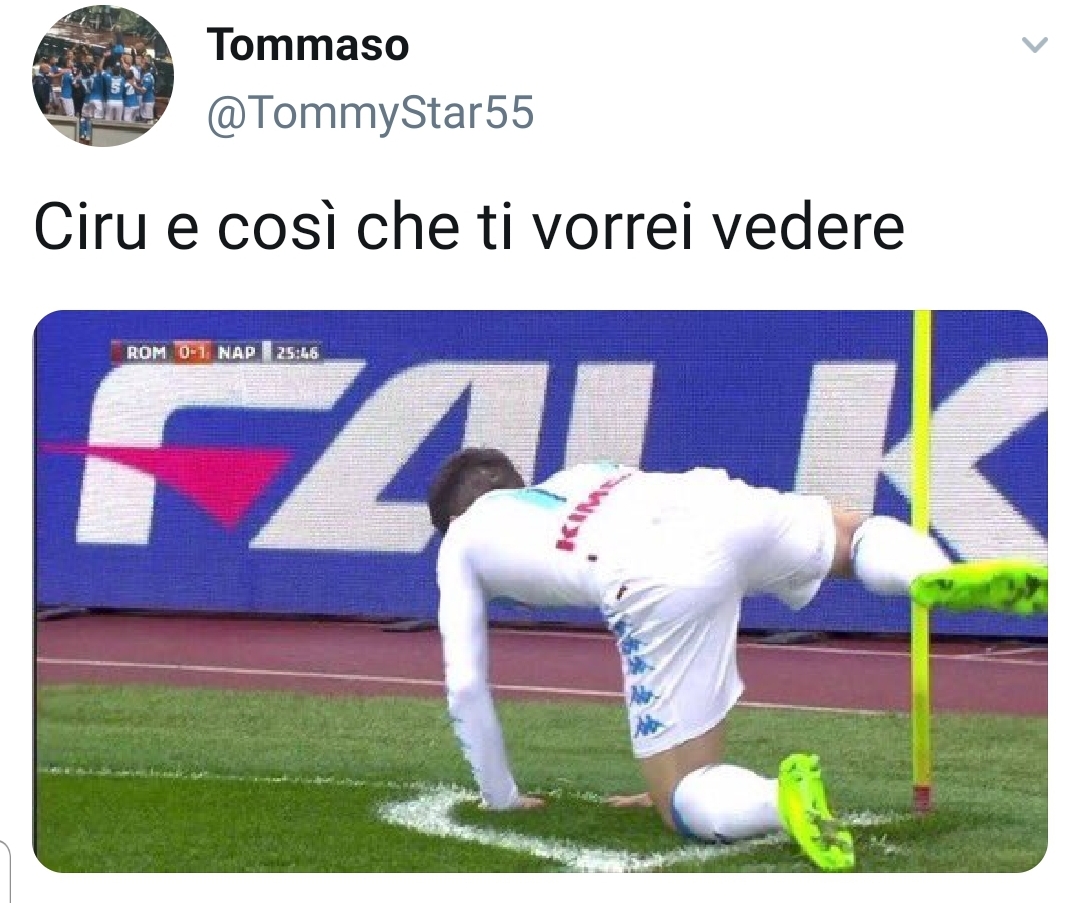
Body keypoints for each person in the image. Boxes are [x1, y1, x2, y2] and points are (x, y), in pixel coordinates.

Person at [427, 449, 1047, 872]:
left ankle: (780, 801)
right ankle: (930, 572)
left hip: (648, 571)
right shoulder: (581, 473)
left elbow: (465, 686)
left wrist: (500, 797)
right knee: (850, 537)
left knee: (680, 799)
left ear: (453, 517)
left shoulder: (461, 539)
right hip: (716, 502)